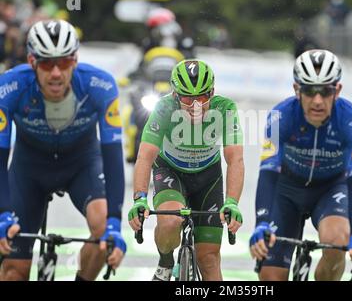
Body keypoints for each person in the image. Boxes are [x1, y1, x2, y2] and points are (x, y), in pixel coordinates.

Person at [0, 19, 126, 280]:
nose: (56, 73)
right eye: (47, 63)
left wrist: (115, 221)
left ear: (75, 60)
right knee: (14, 271)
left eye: (65, 62)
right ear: (32, 62)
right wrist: (2, 214)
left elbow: (114, 156)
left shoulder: (99, 86)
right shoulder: (10, 87)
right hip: (29, 169)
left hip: (81, 164)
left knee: (103, 229)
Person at [249, 49, 352, 281]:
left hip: (330, 189)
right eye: (309, 90)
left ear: (337, 91)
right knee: (271, 279)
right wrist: (261, 223)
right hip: (287, 189)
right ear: (297, 90)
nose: (317, 100)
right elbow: (267, 172)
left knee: (338, 243)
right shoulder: (280, 117)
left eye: (325, 91)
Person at [128, 59, 244, 281]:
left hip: (208, 178)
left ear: (212, 92)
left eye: (202, 97)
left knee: (209, 260)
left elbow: (235, 159)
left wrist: (232, 202)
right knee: (170, 220)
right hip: (171, 172)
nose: (195, 106)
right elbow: (144, 156)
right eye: (187, 99)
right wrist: (140, 198)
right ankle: (165, 261)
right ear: (174, 95)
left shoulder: (225, 109)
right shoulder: (164, 108)